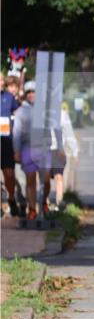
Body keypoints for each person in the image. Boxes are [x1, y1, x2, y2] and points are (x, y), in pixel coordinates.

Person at [12, 81, 48, 219]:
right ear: (26, 95)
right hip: (27, 148)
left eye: (34, 92)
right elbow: (16, 132)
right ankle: (32, 209)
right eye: (29, 93)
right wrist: (16, 150)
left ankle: (43, 204)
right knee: (30, 180)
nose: (32, 95)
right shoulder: (21, 111)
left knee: (44, 180)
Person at [2, 76, 22, 216]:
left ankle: (11, 198)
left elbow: (19, 113)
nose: (1, 83)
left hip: (7, 141)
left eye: (2, 81)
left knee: (9, 174)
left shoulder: (9, 97)